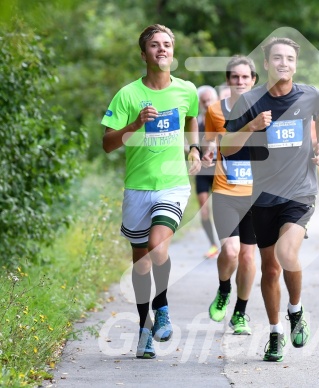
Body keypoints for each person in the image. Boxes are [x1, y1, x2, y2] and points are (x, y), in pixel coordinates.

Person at [221, 37, 319, 362]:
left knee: (286, 252)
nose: (284, 63)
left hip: (299, 192)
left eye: (290, 58)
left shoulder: (310, 95)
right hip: (262, 197)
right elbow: (227, 147)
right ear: (266, 64)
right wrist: (252, 126)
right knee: (270, 270)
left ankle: (295, 310)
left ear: (296, 63)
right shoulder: (250, 100)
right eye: (277, 58)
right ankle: (275, 333)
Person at [101, 24, 201, 359]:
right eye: (155, 45)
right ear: (143, 54)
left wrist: (195, 150)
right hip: (137, 189)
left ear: (173, 52)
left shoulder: (186, 90)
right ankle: (144, 327)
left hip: (172, 186)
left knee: (159, 248)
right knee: (141, 265)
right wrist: (134, 125)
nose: (162, 50)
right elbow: (107, 144)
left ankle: (163, 310)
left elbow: (191, 119)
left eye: (168, 45)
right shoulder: (128, 95)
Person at [204, 55, 258, 335]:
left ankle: (240, 313)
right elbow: (209, 142)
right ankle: (224, 289)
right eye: (235, 77)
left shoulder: (264, 112)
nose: (240, 82)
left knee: (248, 258)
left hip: (256, 196)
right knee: (231, 250)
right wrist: (207, 151)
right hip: (225, 190)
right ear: (228, 80)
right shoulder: (215, 111)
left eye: (245, 77)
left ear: (253, 80)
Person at [196, 85, 220, 259]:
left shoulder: (222, 119)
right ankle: (213, 245)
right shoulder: (196, 123)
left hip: (219, 170)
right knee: (204, 211)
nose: (206, 103)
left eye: (209, 100)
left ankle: (228, 242)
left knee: (222, 210)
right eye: (203, 101)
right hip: (202, 172)